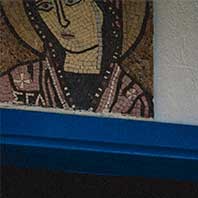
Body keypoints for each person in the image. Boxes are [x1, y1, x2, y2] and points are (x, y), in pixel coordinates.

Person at [0, 0, 152, 116]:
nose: (63, 20)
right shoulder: (18, 83)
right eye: (46, 6)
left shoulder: (132, 98)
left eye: (72, 1)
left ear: (105, 6)